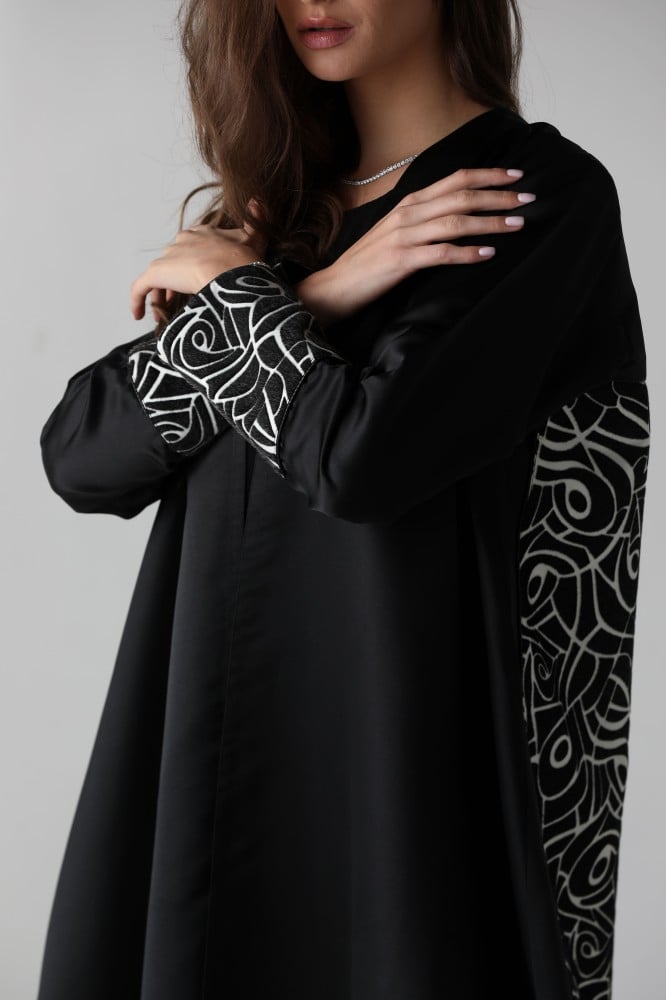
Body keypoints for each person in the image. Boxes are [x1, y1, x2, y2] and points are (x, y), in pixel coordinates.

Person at [36, 1, 650, 999]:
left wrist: (245, 300)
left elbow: (363, 459)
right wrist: (311, 291)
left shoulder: (525, 196)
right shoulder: (272, 221)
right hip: (214, 773)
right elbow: (81, 454)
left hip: (415, 807)